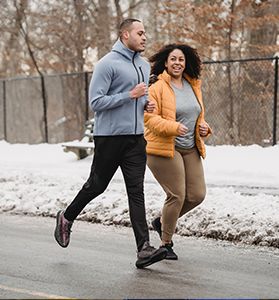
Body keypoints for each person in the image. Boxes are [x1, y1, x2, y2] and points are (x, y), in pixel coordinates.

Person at [54, 19, 167, 268]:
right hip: (109, 139)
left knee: (136, 192)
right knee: (96, 186)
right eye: (140, 33)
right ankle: (67, 217)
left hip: (136, 140)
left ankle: (144, 249)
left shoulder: (143, 64)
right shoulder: (107, 64)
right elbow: (96, 102)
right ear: (125, 35)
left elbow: (139, 97)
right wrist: (131, 95)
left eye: (145, 33)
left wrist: (145, 103)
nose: (144, 37)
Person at [144, 43, 212, 260]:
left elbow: (196, 116)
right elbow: (149, 119)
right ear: (165, 62)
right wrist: (173, 127)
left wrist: (205, 128)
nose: (177, 63)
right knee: (177, 195)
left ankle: (162, 222)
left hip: (190, 147)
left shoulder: (193, 85)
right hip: (163, 148)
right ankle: (166, 243)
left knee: (197, 195)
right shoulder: (157, 88)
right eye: (173, 59)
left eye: (181, 59)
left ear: (186, 63)